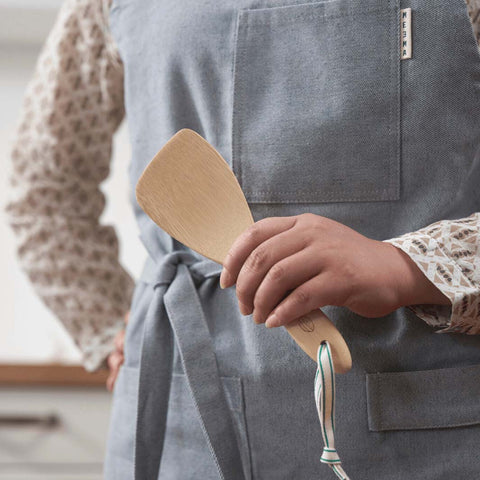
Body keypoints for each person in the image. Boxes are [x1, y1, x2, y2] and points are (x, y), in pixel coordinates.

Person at [5, 0, 480, 478]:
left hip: (425, 417)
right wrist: (110, 324)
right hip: (179, 414)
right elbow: (42, 185)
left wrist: (406, 266)